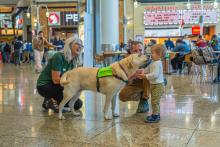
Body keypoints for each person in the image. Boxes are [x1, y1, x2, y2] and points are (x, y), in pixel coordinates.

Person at [36, 37, 83, 112]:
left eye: (81, 45)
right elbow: (55, 80)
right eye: (77, 44)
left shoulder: (73, 61)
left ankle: (48, 102)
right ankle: (49, 100)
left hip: (59, 85)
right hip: (45, 86)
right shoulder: (59, 56)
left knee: (78, 104)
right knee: (69, 91)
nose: (80, 47)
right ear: (69, 45)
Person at [135, 44, 165, 123]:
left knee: (155, 101)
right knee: (154, 101)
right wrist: (142, 71)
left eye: (153, 53)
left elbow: (155, 75)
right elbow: (148, 69)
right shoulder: (153, 62)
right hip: (154, 85)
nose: (151, 55)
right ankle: (155, 114)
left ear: (159, 55)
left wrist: (145, 76)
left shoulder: (157, 63)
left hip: (158, 85)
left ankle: (156, 116)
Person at [119, 41, 151, 113]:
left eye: (140, 50)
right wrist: (132, 76)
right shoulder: (126, 62)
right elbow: (125, 81)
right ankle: (142, 95)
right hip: (135, 82)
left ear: (144, 50)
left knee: (147, 75)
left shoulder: (149, 60)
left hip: (148, 82)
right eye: (135, 51)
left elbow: (155, 74)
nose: (139, 52)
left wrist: (144, 71)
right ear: (131, 52)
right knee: (122, 96)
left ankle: (144, 100)